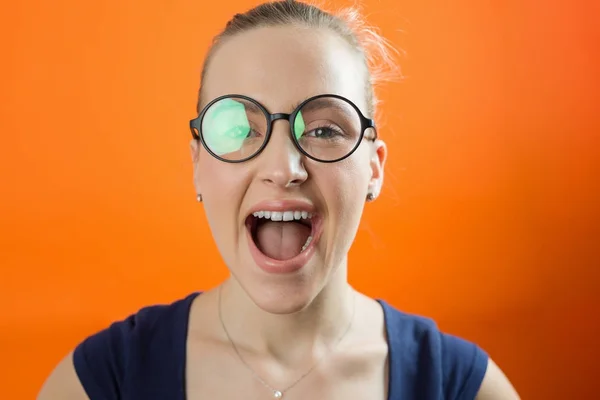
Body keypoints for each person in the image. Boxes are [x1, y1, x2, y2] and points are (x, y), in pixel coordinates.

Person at [38, 1, 520, 399]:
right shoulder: (99, 383)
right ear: (197, 165)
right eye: (238, 129)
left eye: (326, 129)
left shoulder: (466, 389)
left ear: (373, 168)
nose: (284, 169)